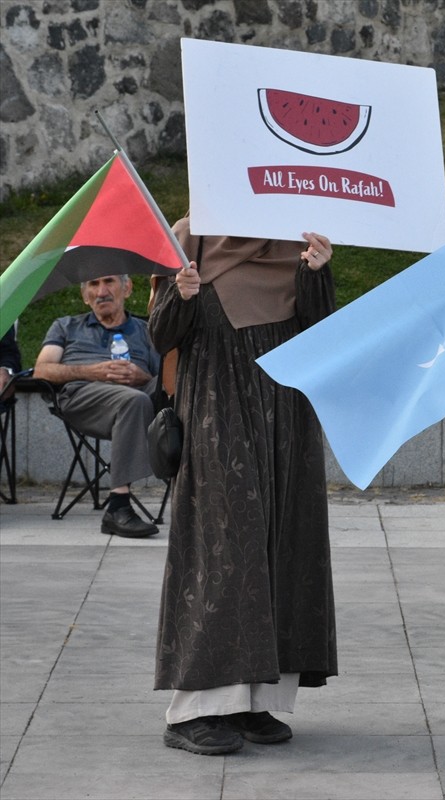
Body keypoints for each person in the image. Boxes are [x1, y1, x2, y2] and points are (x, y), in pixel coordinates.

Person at [149, 220, 337, 756]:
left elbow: (322, 332)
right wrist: (182, 294)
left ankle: (253, 698)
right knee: (225, 547)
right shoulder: (190, 236)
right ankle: (193, 710)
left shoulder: (299, 237)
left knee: (278, 543)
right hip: (217, 410)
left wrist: (317, 273)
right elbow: (159, 336)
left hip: (285, 415)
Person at [33, 275, 161, 538]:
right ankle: (118, 507)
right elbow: (42, 370)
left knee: (177, 385)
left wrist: (143, 377)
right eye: (93, 285)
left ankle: (200, 487)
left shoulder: (147, 331)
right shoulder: (65, 326)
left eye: (109, 282)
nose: (101, 291)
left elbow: (163, 379)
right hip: (83, 397)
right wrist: (92, 372)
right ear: (85, 296)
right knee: (133, 400)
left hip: (139, 397)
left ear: (127, 288)